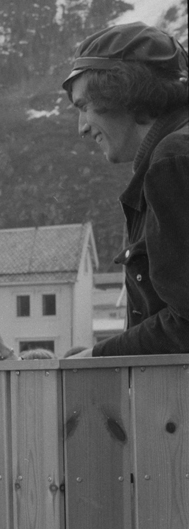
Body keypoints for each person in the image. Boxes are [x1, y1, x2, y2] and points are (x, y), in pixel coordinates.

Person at [62, 22, 188, 355]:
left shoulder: (173, 159)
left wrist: (96, 357)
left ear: (123, 93)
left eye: (84, 106)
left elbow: (187, 325)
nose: (82, 128)